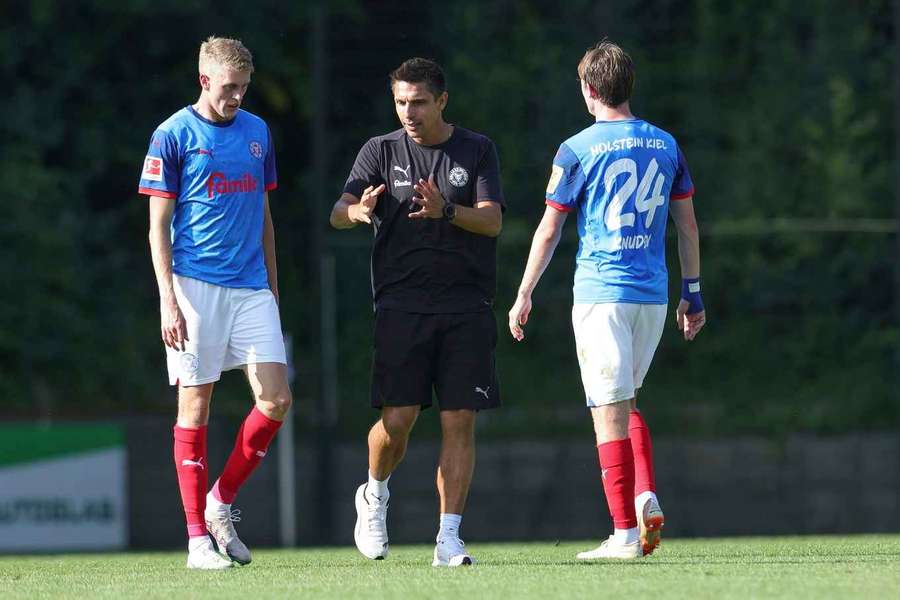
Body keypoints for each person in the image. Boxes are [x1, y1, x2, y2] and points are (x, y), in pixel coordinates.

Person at [508, 40, 705, 560]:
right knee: (627, 401)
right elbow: (686, 226)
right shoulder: (666, 144)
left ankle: (622, 534)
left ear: (590, 89)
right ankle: (644, 494)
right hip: (653, 298)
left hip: (602, 295)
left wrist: (524, 291)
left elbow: (550, 230)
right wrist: (693, 292)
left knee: (605, 411)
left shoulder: (576, 148)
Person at [330, 57, 504, 567]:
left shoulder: (476, 150)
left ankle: (448, 538)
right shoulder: (379, 151)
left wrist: (445, 211)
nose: (409, 111)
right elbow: (338, 212)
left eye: (419, 102)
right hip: (401, 305)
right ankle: (375, 494)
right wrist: (359, 211)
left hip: (466, 306)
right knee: (398, 418)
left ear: (442, 101)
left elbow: (492, 222)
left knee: (459, 421)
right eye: (401, 102)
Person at [139, 36, 292, 570]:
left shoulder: (257, 132)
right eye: (229, 88)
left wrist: (272, 287)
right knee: (195, 406)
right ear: (204, 80)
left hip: (251, 286)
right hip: (194, 285)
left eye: (244, 88)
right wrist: (167, 301)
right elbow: (159, 225)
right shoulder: (172, 134)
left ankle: (220, 502)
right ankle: (196, 541)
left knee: (276, 400)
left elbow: (265, 215)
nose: (238, 97)